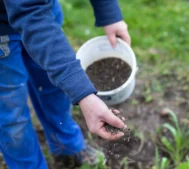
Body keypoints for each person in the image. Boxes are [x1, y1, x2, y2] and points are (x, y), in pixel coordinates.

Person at [0, 0, 130, 168]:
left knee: (54, 87)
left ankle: (67, 146)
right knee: (12, 113)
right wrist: (84, 95)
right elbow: (31, 15)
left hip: (43, 11)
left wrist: (109, 13)